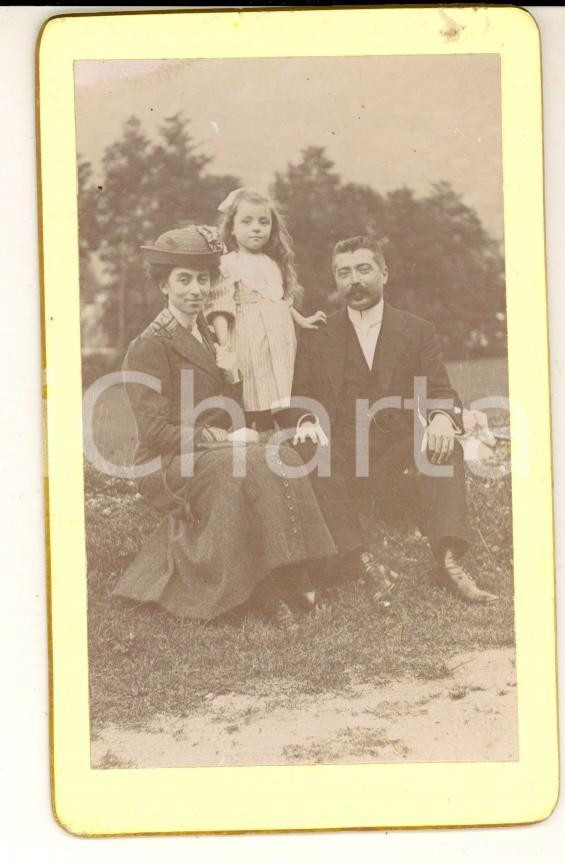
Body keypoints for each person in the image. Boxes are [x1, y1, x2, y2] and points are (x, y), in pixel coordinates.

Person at [112, 224, 341, 629]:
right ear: (164, 286)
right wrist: (225, 438)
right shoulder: (149, 345)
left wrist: (232, 376)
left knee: (282, 453)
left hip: (215, 450)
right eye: (184, 280)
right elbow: (155, 434)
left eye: (203, 279)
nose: (196, 290)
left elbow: (225, 407)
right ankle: (272, 587)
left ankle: (294, 569)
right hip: (168, 460)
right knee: (246, 463)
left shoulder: (207, 332)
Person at [281, 235, 499, 605]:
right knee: (303, 451)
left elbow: (440, 389)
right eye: (343, 273)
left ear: (385, 273)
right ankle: (363, 563)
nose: (354, 281)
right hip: (343, 456)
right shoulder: (318, 336)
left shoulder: (417, 330)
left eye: (364, 269)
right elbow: (300, 395)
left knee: (441, 448)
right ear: (335, 281)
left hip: (396, 455)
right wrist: (304, 421)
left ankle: (448, 562)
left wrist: (443, 418)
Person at [204, 187, 326, 431]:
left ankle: (281, 428)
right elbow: (220, 307)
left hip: (279, 338)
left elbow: (279, 300)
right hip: (248, 338)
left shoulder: (273, 263)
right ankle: (253, 429)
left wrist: (301, 320)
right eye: (247, 222)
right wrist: (225, 345)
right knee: (255, 387)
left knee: (281, 385)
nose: (256, 228)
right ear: (232, 228)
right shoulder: (228, 264)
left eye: (263, 222)